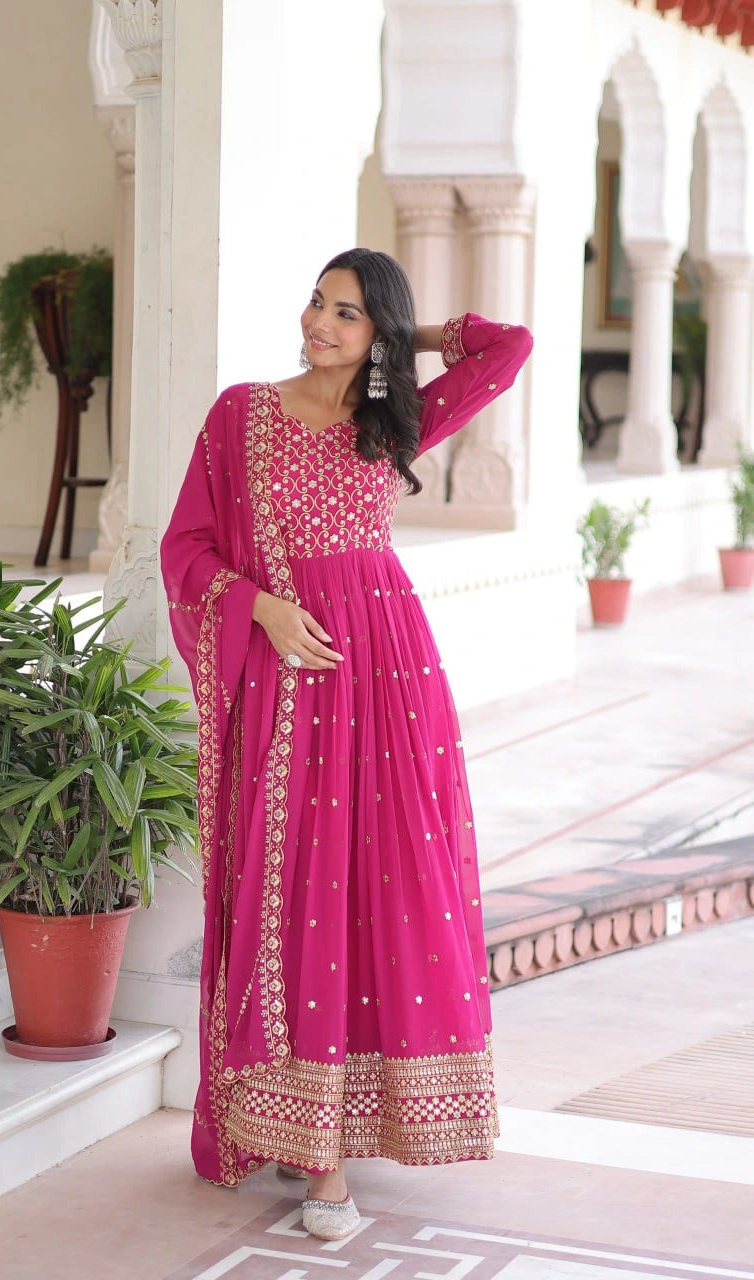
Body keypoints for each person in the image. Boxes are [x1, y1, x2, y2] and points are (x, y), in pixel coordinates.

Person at [160, 247, 533, 1241]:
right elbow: (184, 546)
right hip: (289, 676)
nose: (320, 324)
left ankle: (339, 1133)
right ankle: (311, 1151)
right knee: (296, 886)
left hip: (389, 677)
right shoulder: (242, 414)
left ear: (378, 334)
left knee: (385, 884)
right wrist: (261, 608)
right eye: (318, 303)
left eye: (348, 314)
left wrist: (419, 336)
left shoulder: (392, 418)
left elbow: (509, 348)